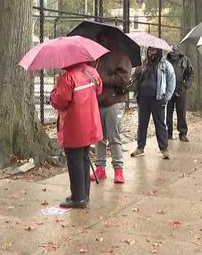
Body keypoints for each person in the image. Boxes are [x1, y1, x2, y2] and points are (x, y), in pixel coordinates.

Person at [50, 61, 103, 209]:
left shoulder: (68, 78)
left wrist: (55, 88)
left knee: (74, 161)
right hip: (89, 122)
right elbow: (99, 90)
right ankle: (83, 194)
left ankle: (78, 198)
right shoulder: (92, 72)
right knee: (84, 158)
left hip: (74, 125)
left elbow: (59, 101)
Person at [90, 37, 132, 184]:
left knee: (114, 137)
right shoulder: (96, 58)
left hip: (114, 102)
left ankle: (118, 170)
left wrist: (103, 79)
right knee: (99, 138)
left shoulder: (121, 55)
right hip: (98, 102)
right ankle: (100, 168)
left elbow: (124, 79)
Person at [131, 47, 176, 159]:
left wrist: (167, 97)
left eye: (154, 50)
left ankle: (164, 149)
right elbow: (134, 78)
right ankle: (140, 147)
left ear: (159, 52)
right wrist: (137, 71)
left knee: (160, 124)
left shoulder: (165, 65)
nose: (152, 53)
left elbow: (172, 80)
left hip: (158, 99)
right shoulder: (143, 64)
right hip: (143, 99)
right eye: (150, 50)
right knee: (142, 124)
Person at [166, 45, 194, 142]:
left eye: (175, 54)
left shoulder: (185, 60)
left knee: (181, 113)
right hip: (168, 90)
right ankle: (168, 133)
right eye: (172, 54)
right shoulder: (165, 60)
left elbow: (190, 74)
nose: (174, 56)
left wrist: (186, 85)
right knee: (168, 113)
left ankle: (183, 133)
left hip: (181, 90)